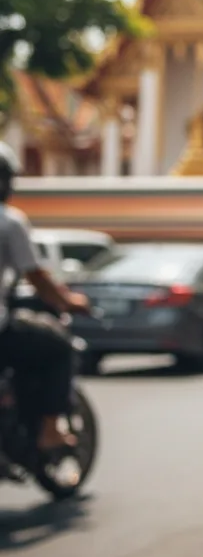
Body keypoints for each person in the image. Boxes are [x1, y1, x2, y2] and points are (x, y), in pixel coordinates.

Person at [0, 143, 90, 451]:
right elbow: (36, 276)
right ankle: (50, 430)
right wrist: (67, 301)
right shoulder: (9, 222)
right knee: (59, 347)